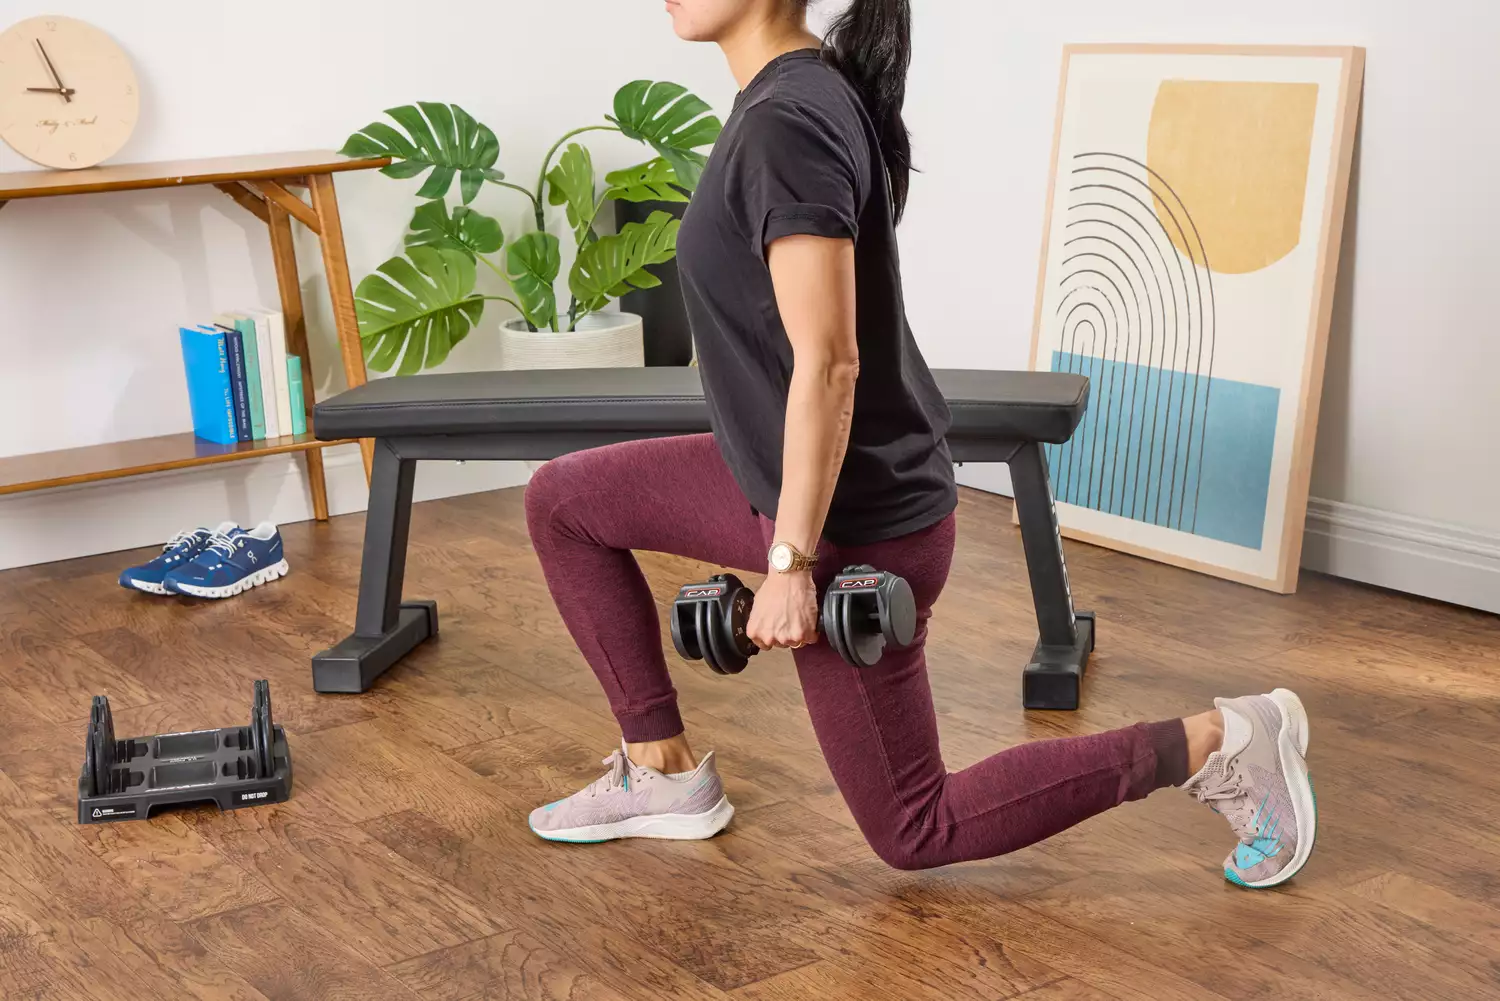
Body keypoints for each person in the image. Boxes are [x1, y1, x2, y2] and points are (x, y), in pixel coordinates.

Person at [522, 0, 1317, 888]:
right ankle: (660, 769)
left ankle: (1221, 740)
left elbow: (831, 363)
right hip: (783, 481)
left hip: (853, 524)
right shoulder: (787, 96)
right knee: (566, 501)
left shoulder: (786, 122)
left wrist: (791, 562)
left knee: (915, 825)